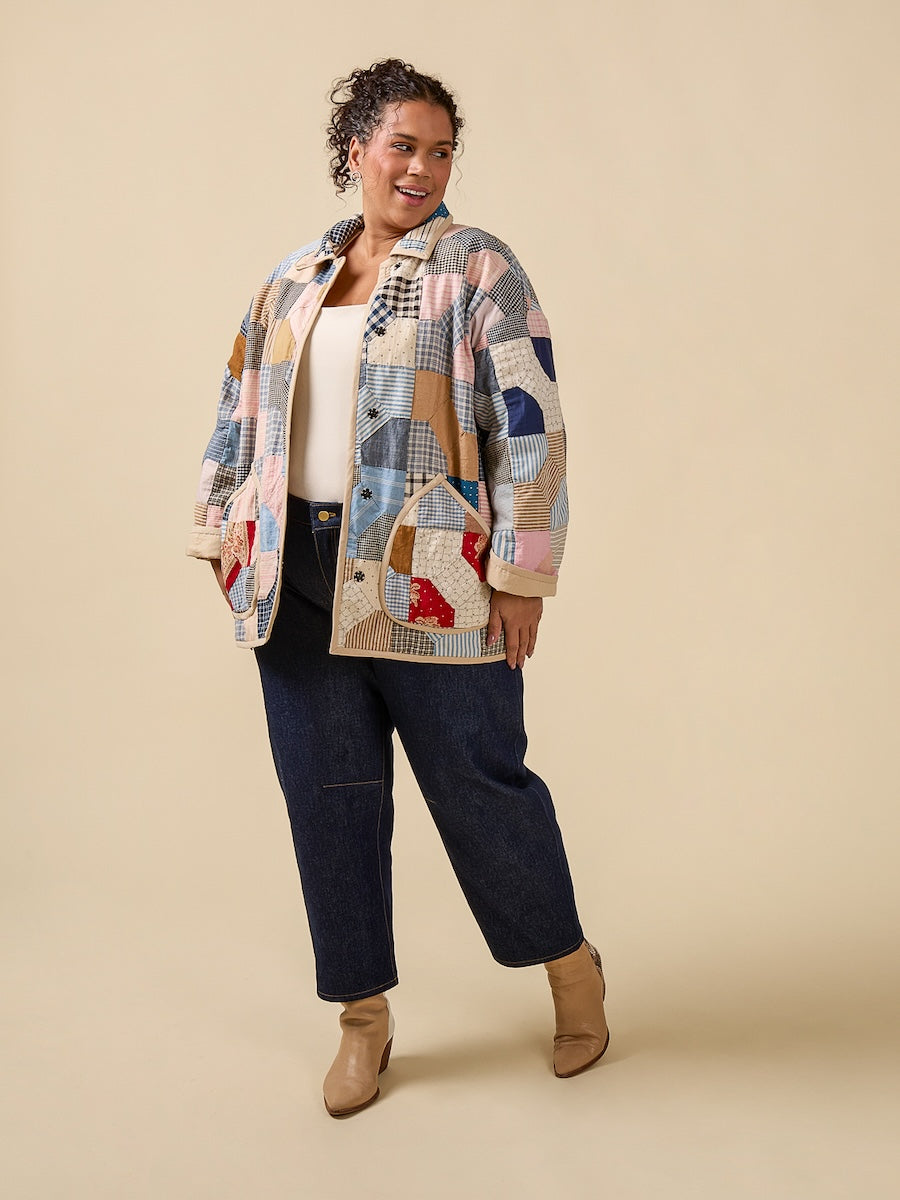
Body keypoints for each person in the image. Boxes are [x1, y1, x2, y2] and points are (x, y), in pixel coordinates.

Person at [186, 58, 608, 1117]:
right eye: (402, 146)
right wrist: (226, 531)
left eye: (440, 151)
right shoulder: (294, 278)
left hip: (436, 574)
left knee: (480, 783)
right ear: (357, 151)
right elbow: (240, 406)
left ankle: (570, 969)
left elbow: (532, 423)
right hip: (297, 574)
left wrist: (523, 576)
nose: (421, 168)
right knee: (327, 797)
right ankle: (362, 1020)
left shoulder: (480, 269)